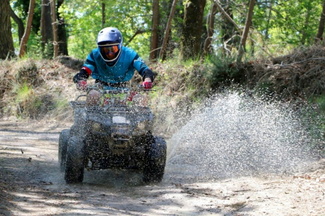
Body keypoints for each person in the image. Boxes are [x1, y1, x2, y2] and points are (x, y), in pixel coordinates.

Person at [73, 27, 155, 105]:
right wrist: (81, 80)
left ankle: (142, 120)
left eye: (113, 49)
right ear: (99, 49)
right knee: (93, 95)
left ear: (120, 46)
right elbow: (85, 71)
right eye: (105, 50)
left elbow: (144, 69)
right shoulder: (95, 55)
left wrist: (147, 79)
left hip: (125, 89)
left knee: (141, 99)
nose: (109, 53)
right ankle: (90, 118)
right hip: (100, 88)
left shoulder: (130, 54)